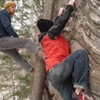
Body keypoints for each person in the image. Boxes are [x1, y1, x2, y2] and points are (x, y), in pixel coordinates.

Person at [37, 0, 94, 100]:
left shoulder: (47, 39)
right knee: (81, 54)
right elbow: (60, 23)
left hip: (54, 77)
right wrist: (70, 6)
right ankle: (79, 88)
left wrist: (59, 14)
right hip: (57, 69)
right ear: (50, 28)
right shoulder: (50, 35)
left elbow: (57, 24)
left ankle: (78, 95)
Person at [0, 0, 43, 73]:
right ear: (7, 8)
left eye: (15, 7)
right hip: (2, 40)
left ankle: (33, 71)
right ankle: (46, 57)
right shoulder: (3, 13)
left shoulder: (4, 15)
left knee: (15, 55)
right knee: (26, 42)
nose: (14, 9)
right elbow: (7, 27)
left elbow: (6, 31)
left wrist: (15, 44)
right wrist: (17, 37)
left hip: (2, 43)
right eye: (12, 7)